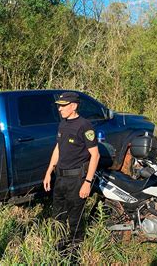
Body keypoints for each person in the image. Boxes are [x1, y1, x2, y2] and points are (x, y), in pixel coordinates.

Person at [43, 92, 100, 247]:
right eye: (59, 106)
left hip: (77, 179)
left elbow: (95, 155)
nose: (60, 109)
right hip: (60, 178)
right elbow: (58, 148)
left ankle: (75, 250)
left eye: (63, 106)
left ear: (73, 106)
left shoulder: (84, 125)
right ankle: (60, 247)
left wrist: (87, 182)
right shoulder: (63, 124)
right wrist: (49, 172)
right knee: (58, 216)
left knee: (75, 218)